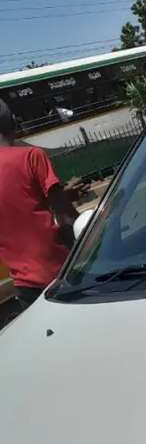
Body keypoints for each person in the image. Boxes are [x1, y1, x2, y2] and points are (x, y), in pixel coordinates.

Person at [0, 100, 77, 308]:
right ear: (14, 124)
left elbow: (15, 206)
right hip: (60, 275)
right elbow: (66, 218)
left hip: (25, 287)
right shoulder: (32, 156)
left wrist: (65, 195)